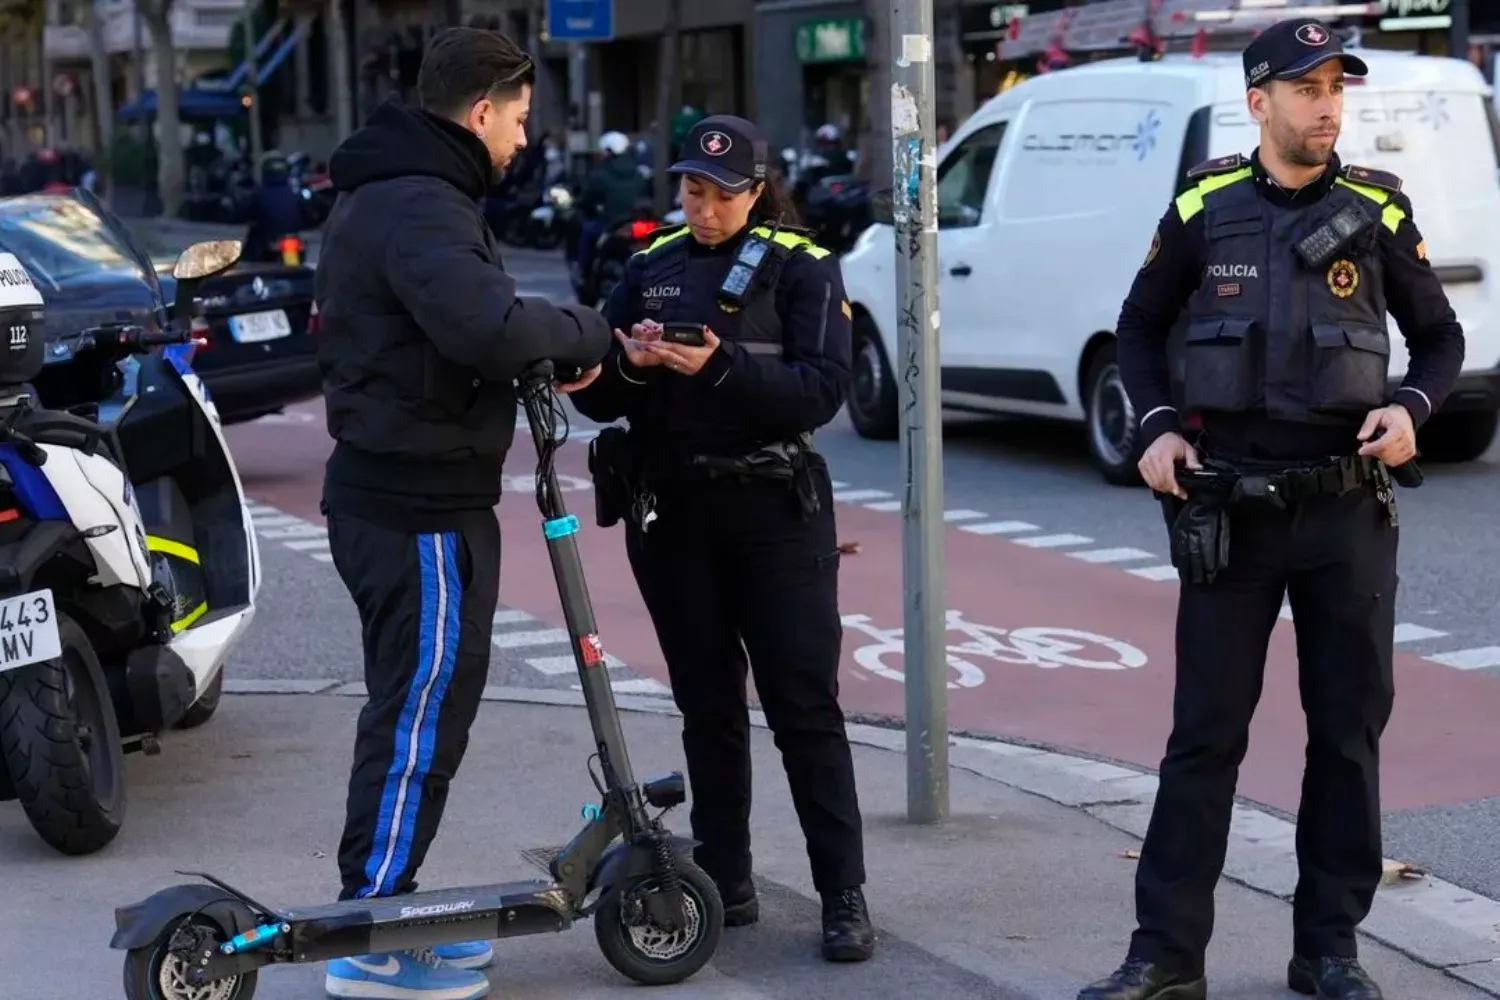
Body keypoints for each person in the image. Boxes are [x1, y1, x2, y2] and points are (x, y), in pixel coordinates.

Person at [1078, 18, 1464, 1000]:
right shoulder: (1206, 206)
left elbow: (1442, 337)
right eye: (1307, 87)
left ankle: (1328, 947)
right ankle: (1167, 953)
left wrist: (1413, 409)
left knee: (1345, 735)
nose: (1327, 104)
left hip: (1346, 509)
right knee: (1203, 736)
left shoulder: (1379, 211)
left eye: (1337, 85)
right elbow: (1137, 326)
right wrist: (1157, 427)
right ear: (1260, 101)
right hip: (1231, 512)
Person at [313, 26, 612, 1000]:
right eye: (520, 119)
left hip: (417, 492)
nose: (525, 140)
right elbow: (485, 323)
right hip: (416, 506)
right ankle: (368, 929)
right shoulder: (419, 205)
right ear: (481, 111)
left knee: (420, 712)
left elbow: (472, 310)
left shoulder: (404, 191)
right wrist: (590, 332)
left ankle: (390, 908)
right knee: (415, 720)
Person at [568, 114, 876, 964]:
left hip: (776, 513)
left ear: (756, 190)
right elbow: (596, 397)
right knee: (707, 706)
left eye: (721, 194)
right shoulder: (651, 266)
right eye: (692, 191)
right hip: (674, 515)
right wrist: (627, 362)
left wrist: (721, 367)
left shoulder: (804, 267)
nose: (702, 209)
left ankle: (842, 895)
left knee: (803, 707)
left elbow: (823, 391)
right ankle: (726, 879)